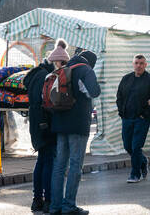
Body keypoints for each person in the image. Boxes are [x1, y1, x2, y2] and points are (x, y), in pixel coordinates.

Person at [49, 50, 101, 215]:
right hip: (77, 125)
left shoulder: (63, 69)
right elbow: (95, 92)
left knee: (59, 166)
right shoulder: (86, 70)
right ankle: (69, 205)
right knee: (75, 166)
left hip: (60, 123)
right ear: (91, 62)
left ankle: (55, 206)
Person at [24, 44, 61, 213]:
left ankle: (36, 200)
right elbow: (51, 103)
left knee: (41, 161)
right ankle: (47, 200)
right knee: (49, 162)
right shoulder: (48, 77)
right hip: (47, 124)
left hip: (35, 124)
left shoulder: (34, 76)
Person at [116, 54, 150, 183]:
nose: (139, 65)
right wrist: (121, 112)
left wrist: (145, 114)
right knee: (127, 146)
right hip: (127, 118)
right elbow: (119, 96)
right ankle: (143, 161)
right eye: (136, 63)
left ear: (145, 65)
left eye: (141, 63)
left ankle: (135, 174)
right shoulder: (126, 79)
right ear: (133, 64)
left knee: (136, 146)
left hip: (141, 119)